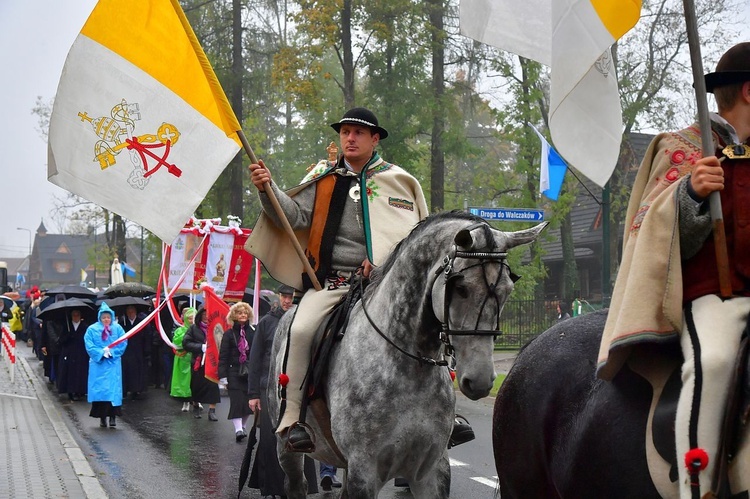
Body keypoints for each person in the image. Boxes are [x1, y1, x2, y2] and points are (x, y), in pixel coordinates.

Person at [597, 42, 750, 498]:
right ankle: (696, 487)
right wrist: (692, 195)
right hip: (716, 296)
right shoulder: (684, 149)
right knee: (716, 361)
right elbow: (648, 229)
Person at [246, 107, 429, 452]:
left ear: (375, 139)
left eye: (359, 133)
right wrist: (266, 189)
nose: (350, 138)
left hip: (385, 284)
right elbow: (294, 216)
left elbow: (418, 236)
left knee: (432, 320)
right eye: (345, 132)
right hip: (333, 283)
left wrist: (380, 263)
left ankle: (444, 414)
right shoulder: (323, 174)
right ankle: (293, 417)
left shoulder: (400, 182)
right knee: (299, 330)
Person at [247, 285, 319, 496]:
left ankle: (299, 489)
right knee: (271, 442)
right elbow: (255, 359)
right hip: (267, 388)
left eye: (291, 297)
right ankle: (273, 488)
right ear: (279, 297)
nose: (287, 301)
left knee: (299, 439)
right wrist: (253, 394)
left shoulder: (304, 322)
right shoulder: (266, 323)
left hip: (297, 389)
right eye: (284, 296)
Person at [84, 303, 128, 428]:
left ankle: (113, 417)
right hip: (98, 365)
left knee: (112, 391)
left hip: (113, 364)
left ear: (112, 317)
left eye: (108, 317)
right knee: (100, 391)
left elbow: (123, 342)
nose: (106, 319)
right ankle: (102, 417)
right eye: (104, 317)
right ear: (100, 318)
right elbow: (89, 345)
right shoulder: (92, 329)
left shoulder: (118, 328)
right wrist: (101, 353)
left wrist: (112, 353)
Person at [218, 301, 254, 442]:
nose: (243, 315)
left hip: (249, 373)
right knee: (237, 402)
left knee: (247, 403)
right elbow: (223, 356)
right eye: (240, 313)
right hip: (233, 372)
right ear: (234, 315)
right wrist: (223, 376)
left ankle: (242, 427)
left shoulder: (253, 331)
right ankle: (238, 429)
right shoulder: (228, 334)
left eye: (245, 312)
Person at [183, 307, 220, 421]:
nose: (206, 316)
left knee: (213, 385)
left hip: (212, 362)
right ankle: (196, 406)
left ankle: (212, 411)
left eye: (207, 314)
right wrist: (200, 347)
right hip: (198, 362)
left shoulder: (215, 328)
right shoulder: (194, 328)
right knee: (196, 385)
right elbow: (186, 343)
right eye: (203, 314)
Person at [56, 308, 90, 402]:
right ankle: (70, 391)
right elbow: (61, 341)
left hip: (81, 353)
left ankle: (80, 391)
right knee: (69, 373)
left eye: (77, 315)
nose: (75, 317)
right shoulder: (66, 326)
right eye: (74, 315)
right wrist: (68, 337)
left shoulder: (85, 326)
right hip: (69, 353)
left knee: (80, 373)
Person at [120, 305, 151, 400]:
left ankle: (136, 390)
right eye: (128, 312)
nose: (130, 313)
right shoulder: (123, 323)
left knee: (137, 371)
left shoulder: (141, 322)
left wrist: (147, 350)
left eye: (132, 311)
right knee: (126, 370)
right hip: (126, 350)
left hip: (138, 350)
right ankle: (125, 389)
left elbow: (147, 336)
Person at [170, 307, 196, 412]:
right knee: (184, 382)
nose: (191, 321)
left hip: (195, 360)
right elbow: (176, 342)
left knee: (195, 382)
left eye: (193, 318)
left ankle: (196, 401)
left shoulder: (200, 329)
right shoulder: (179, 330)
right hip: (183, 360)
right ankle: (185, 402)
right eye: (189, 318)